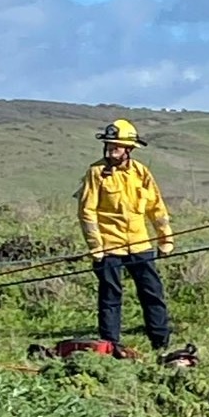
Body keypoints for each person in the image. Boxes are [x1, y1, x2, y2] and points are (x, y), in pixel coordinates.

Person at [76, 120, 175, 352]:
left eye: (116, 147)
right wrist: (96, 246)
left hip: (140, 245)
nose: (111, 151)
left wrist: (165, 239)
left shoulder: (141, 172)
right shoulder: (96, 173)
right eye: (109, 146)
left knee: (153, 293)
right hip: (109, 248)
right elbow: (87, 212)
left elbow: (156, 209)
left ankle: (160, 344)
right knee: (110, 297)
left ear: (128, 150)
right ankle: (110, 345)